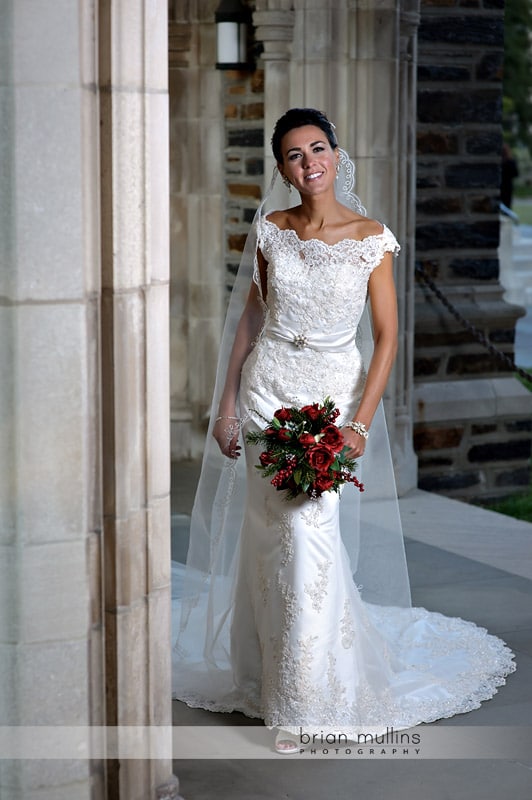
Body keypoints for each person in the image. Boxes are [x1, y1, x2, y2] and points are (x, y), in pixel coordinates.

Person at [172, 108, 515, 754]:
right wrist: (225, 404)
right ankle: (264, 670)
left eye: (318, 148)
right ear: (282, 169)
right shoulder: (271, 230)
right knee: (269, 537)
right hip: (266, 393)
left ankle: (306, 699)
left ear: (337, 153)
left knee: (310, 536)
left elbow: (386, 338)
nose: (310, 163)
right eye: (295, 155)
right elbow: (251, 319)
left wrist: (359, 422)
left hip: (329, 401)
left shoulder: (371, 238)